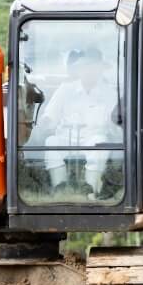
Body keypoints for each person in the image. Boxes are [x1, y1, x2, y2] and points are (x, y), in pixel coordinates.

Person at [41, 47, 122, 197]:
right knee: (51, 142)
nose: (89, 71)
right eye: (85, 67)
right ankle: (60, 190)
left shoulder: (110, 94)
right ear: (79, 70)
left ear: (100, 69)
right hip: (66, 138)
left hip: (93, 140)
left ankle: (91, 192)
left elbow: (115, 123)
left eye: (93, 67)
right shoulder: (65, 89)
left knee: (101, 144)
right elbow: (50, 115)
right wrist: (46, 123)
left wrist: (115, 128)